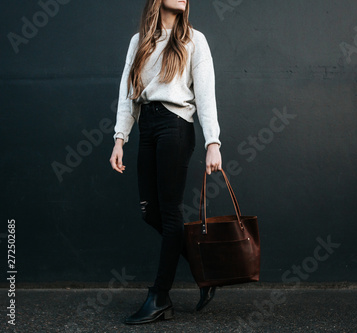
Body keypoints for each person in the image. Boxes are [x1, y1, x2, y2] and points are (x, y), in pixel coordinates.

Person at [109, 0, 222, 325]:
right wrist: (120, 138)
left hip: (176, 125)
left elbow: (206, 94)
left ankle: (159, 296)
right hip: (148, 127)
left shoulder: (194, 40)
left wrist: (213, 141)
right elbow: (126, 92)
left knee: (170, 213)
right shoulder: (139, 41)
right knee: (151, 212)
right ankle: (206, 271)